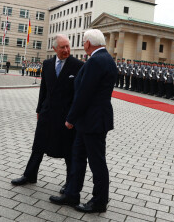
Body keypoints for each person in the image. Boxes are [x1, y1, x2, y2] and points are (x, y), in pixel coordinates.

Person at [50, 29, 118, 213]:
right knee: (78, 157)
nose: (82, 44)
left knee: (97, 162)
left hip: (92, 121)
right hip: (90, 120)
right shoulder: (105, 58)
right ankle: (72, 193)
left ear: (88, 43)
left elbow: (84, 93)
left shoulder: (96, 61)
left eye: (83, 41)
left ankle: (99, 201)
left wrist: (71, 118)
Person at [11, 34, 84, 194]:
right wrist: (39, 109)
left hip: (66, 116)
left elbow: (79, 94)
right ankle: (29, 175)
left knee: (68, 150)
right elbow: (43, 89)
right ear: (54, 49)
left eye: (67, 46)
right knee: (38, 145)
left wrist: (74, 116)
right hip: (47, 112)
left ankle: (70, 183)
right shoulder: (48, 64)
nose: (66, 50)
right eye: (62, 47)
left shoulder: (78, 65)